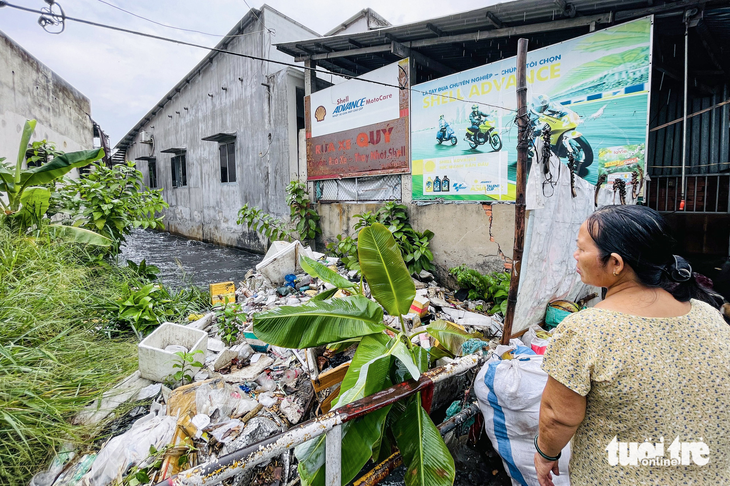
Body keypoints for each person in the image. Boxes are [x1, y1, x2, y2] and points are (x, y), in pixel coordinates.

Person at [534, 205, 730, 486]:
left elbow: (557, 417)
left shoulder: (585, 330)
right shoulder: (707, 313)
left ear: (615, 263)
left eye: (581, 248)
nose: (575, 255)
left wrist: (545, 454)